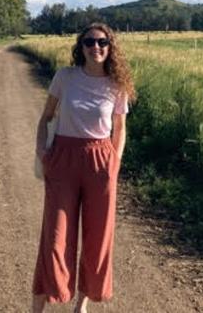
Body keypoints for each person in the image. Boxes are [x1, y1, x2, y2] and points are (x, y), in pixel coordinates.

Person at [31, 23, 135, 313]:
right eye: (89, 42)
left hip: (101, 159)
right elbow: (46, 116)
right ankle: (38, 304)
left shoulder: (117, 85)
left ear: (110, 46)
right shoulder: (65, 77)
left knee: (98, 236)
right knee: (55, 236)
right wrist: (42, 151)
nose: (96, 47)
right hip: (63, 157)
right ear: (81, 47)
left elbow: (120, 127)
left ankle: (82, 306)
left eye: (102, 42)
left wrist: (115, 160)